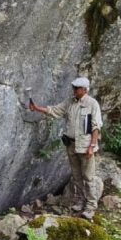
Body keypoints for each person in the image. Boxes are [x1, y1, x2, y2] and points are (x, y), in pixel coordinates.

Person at [29, 77, 103, 220]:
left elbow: (96, 127)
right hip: (71, 145)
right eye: (73, 88)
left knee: (88, 176)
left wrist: (92, 146)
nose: (74, 90)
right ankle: (81, 200)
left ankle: (91, 206)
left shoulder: (92, 104)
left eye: (77, 88)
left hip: (86, 146)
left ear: (85, 90)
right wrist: (37, 108)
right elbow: (55, 111)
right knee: (76, 176)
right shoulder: (70, 102)